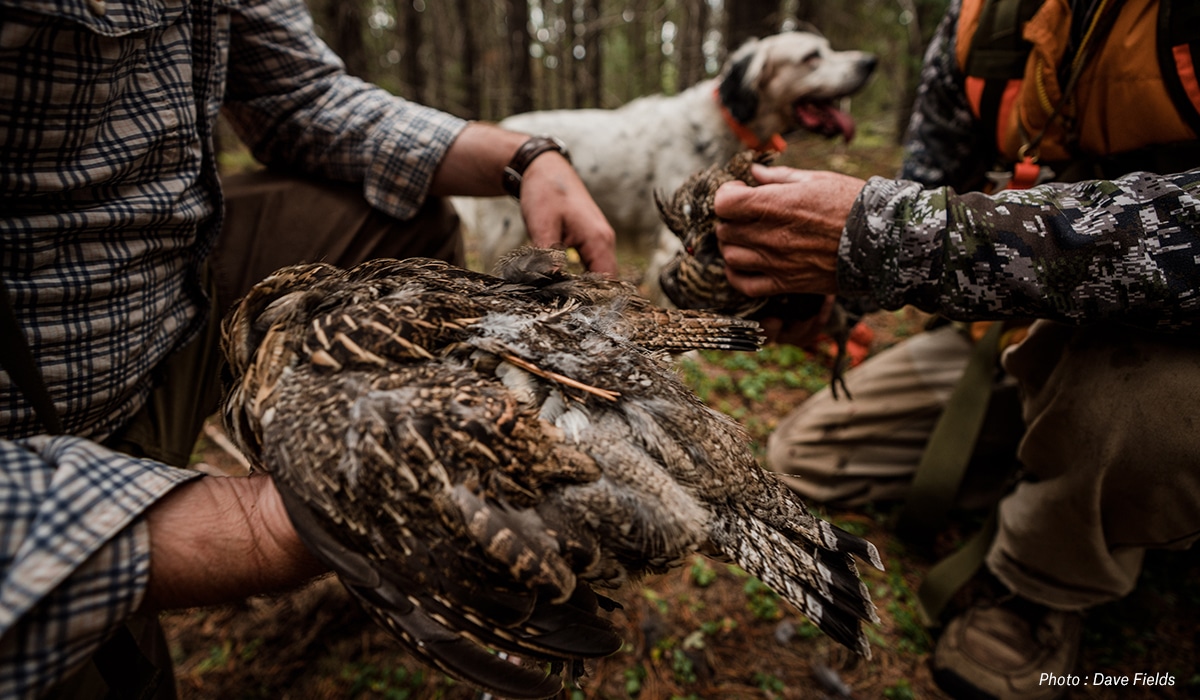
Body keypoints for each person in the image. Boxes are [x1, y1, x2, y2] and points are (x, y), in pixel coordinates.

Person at [0, 0, 616, 697]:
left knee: (399, 224)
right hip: (29, 403)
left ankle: (390, 520)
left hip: (169, 281)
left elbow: (300, 97)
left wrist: (524, 156)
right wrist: (260, 525)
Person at [712, 0, 1200, 698]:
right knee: (807, 455)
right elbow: (931, 182)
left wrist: (894, 237)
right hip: (1019, 323)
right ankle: (1062, 468)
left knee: (1143, 413)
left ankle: (1040, 587)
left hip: (1170, 345)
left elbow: (914, 228)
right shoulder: (984, 23)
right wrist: (835, 289)